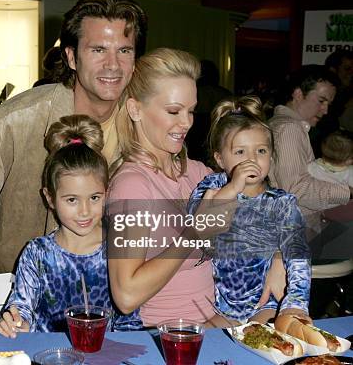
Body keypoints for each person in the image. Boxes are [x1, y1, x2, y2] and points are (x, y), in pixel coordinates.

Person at [0, 0, 147, 275]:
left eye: (124, 50)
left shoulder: (144, 127)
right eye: (98, 50)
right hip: (15, 299)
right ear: (72, 57)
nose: (113, 64)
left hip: (106, 298)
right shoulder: (17, 121)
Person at [106, 48, 286, 326]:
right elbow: (126, 295)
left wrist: (277, 257)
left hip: (216, 325)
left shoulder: (197, 173)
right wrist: (195, 232)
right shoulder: (132, 185)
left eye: (190, 111)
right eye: (174, 111)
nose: (187, 122)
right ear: (135, 109)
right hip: (163, 337)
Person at [0, 115, 142, 337]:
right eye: (72, 200)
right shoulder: (37, 253)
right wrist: (17, 322)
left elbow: (130, 321)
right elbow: (22, 307)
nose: (84, 211)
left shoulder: (118, 247)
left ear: (107, 194)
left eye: (94, 198)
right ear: (50, 198)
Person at [188, 95, 311, 325]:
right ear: (220, 159)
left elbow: (298, 254)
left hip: (267, 305)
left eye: (261, 151)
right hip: (222, 308)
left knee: (262, 337)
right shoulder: (211, 188)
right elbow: (196, 231)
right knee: (201, 341)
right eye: (240, 152)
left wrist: (295, 303)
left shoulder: (281, 203)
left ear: (272, 156)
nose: (252, 159)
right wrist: (233, 188)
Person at [268, 65, 350, 234]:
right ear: (298, 94)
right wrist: (347, 192)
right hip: (297, 232)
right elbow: (296, 189)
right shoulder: (289, 129)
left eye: (328, 104)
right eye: (321, 101)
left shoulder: (284, 125)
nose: (325, 110)